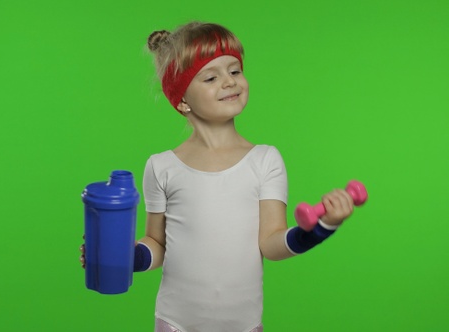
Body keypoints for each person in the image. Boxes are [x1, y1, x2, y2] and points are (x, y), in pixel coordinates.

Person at [82, 21, 355, 332]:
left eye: (235, 71)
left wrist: (321, 228)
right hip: (175, 324)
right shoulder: (161, 166)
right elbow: (157, 243)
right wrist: (126, 257)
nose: (229, 82)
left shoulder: (265, 160)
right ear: (182, 100)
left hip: (244, 325)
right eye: (211, 77)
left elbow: (271, 244)